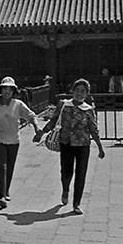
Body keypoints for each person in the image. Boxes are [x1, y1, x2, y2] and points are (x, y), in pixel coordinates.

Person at [33, 78, 105, 215]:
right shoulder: (64, 105)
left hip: (83, 145)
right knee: (66, 171)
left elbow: (93, 129)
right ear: (72, 91)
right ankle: (65, 189)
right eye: (77, 90)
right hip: (66, 143)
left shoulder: (89, 110)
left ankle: (76, 203)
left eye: (83, 91)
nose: (79, 94)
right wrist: (42, 132)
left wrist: (100, 146)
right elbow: (53, 121)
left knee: (81, 173)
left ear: (87, 94)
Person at [0, 76, 42, 210]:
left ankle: (6, 190)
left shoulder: (18, 105)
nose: (7, 91)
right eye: (5, 88)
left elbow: (31, 115)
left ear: (13, 91)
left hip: (13, 140)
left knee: (9, 166)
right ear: (1, 89)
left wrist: (37, 128)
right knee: (1, 167)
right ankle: (2, 196)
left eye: (10, 89)